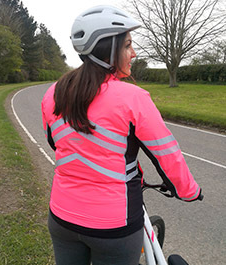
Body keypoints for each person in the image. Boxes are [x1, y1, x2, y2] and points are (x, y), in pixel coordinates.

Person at [41, 5, 201, 265]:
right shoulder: (133, 98)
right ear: (109, 51)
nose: (134, 53)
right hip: (114, 226)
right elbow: (167, 155)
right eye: (127, 45)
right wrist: (190, 191)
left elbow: (56, 144)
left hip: (61, 217)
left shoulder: (53, 93)